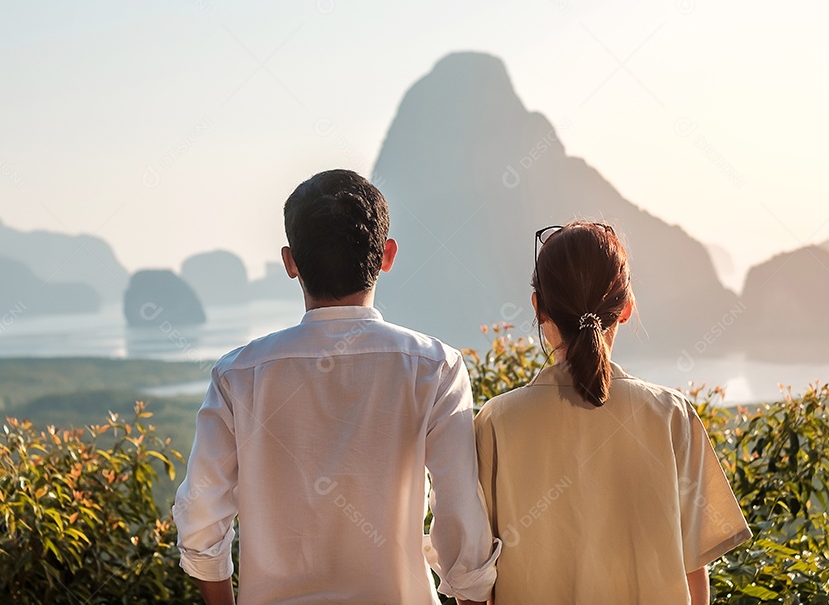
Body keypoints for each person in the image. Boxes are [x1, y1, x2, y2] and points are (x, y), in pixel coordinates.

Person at [173, 169, 500, 605]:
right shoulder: (434, 368)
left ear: (290, 262)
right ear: (387, 255)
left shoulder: (238, 375)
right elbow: (460, 517)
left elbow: (200, 519)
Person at [474, 221, 751, 604]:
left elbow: (472, 576)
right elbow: (693, 576)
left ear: (539, 309)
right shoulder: (672, 416)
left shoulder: (495, 423)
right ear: (625, 308)